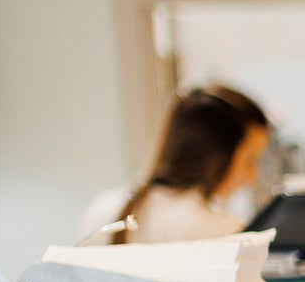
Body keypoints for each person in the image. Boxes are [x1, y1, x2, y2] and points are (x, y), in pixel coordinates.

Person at [80, 84, 272, 244]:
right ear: (217, 155)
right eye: (250, 160)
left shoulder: (102, 211)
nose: (253, 177)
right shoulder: (222, 234)